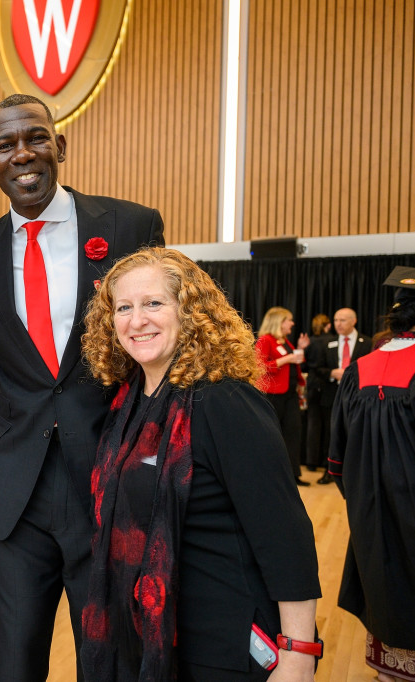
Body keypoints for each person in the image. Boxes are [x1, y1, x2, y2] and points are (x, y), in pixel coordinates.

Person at [0, 93, 164, 680]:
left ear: (60, 146)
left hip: (109, 484)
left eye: (35, 138)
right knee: (12, 661)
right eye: (5, 145)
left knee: (107, 659)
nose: (22, 154)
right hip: (14, 496)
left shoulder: (131, 226)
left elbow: (165, 340)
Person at [80, 248, 321, 681]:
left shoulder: (224, 400)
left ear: (190, 311)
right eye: (124, 307)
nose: (137, 320)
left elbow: (284, 533)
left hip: (222, 644)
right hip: (150, 638)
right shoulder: (129, 400)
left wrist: (299, 652)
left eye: (154, 303)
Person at [329, 266, 415, 682]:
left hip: (371, 516)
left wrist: (372, 498)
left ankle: (391, 672)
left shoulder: (359, 370)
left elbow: (338, 461)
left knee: (386, 591)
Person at [305, 307, 370, 485]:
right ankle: (330, 470)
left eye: (342, 320)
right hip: (331, 396)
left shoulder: (367, 343)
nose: (338, 324)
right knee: (330, 434)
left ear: (353, 321)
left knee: (356, 433)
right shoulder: (327, 343)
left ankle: (355, 473)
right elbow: (317, 369)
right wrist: (332, 372)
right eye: (335, 320)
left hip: (358, 396)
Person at [255, 307, 310, 486]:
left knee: (293, 433)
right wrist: (287, 359)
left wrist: (300, 350)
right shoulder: (265, 340)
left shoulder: (286, 342)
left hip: (290, 395)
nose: (292, 323)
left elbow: (294, 366)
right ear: (279, 321)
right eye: (289, 320)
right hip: (272, 395)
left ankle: (293, 475)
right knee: (272, 435)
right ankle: (269, 475)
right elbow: (259, 367)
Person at [302, 314, 331, 473]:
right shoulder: (333, 341)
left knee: (313, 425)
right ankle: (326, 463)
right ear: (328, 326)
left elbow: (304, 366)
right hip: (327, 386)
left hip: (312, 386)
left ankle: (311, 462)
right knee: (328, 426)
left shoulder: (309, 342)